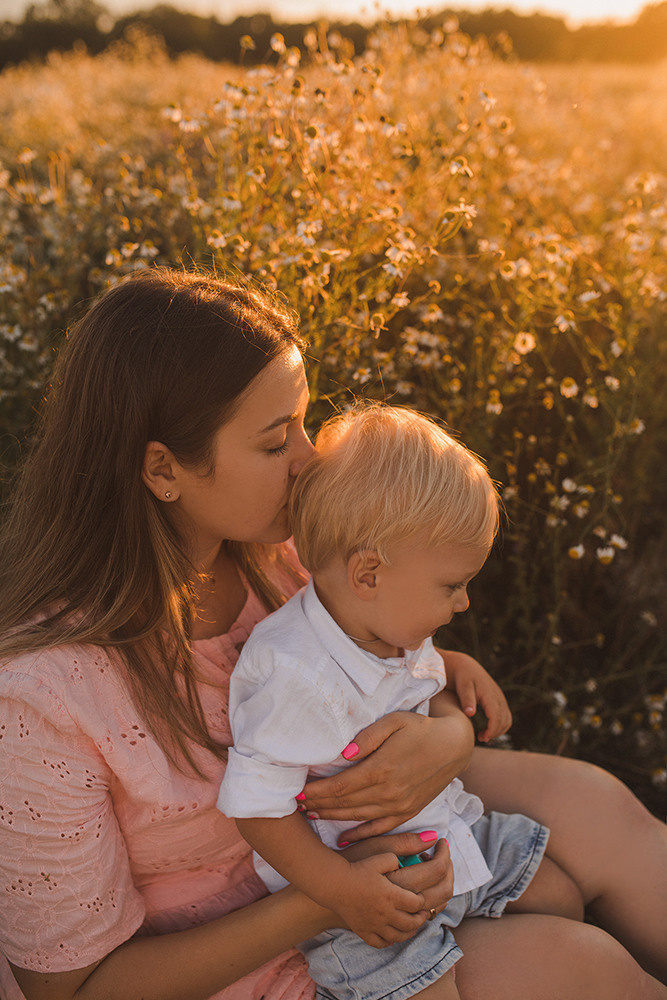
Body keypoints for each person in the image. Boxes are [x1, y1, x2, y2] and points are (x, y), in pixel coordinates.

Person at [0, 266, 665, 1000]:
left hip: (359, 820)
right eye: (273, 439)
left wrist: (447, 737)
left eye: (304, 421)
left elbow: (387, 656)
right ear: (163, 467)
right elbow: (71, 992)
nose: (310, 459)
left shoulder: (277, 550)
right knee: (580, 966)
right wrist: (326, 897)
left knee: (597, 809)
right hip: (254, 942)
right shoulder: (40, 701)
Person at [218, 403, 585, 1000]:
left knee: (559, 894)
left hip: (441, 833)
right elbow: (256, 808)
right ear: (368, 572)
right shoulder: (295, 673)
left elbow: (401, 679)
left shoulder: (377, 619)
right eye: (452, 586)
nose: (464, 604)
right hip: (362, 901)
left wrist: (451, 671)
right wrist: (338, 891)